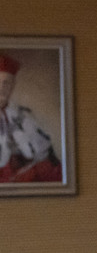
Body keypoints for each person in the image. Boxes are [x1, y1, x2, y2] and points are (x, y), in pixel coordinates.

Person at [0, 54, 63, 183]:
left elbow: (45, 156)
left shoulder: (23, 116)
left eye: (6, 83)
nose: (1, 88)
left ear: (13, 85)